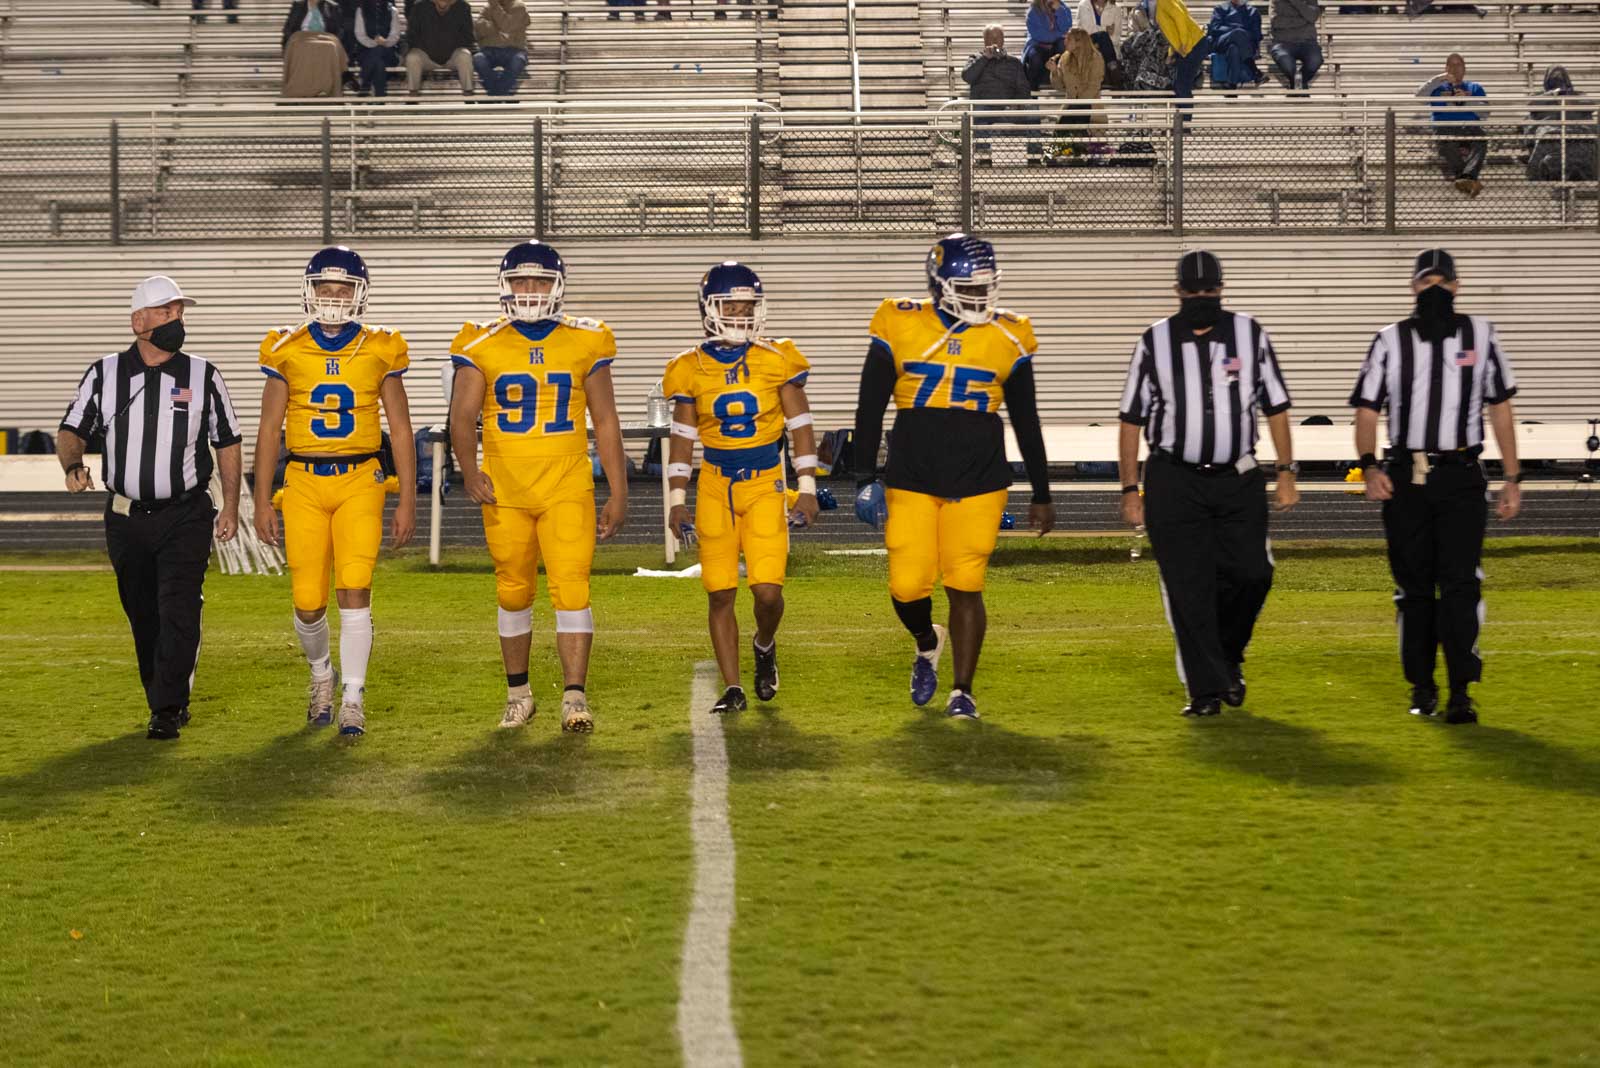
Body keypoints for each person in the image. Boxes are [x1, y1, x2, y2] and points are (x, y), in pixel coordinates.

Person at [852, 234, 1055, 722]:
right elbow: (869, 405)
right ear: (939, 285)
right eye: (969, 287)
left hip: (980, 476)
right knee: (907, 586)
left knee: (966, 583)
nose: (980, 296)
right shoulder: (899, 320)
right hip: (912, 474)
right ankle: (927, 642)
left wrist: (1042, 491)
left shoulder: (1010, 334)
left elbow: (1026, 419)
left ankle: (963, 691)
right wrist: (863, 474)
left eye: (986, 286)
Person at [447, 241, 628, 734]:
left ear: (558, 286)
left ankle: (574, 698)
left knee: (572, 588)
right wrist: (468, 469)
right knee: (513, 591)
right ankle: (519, 695)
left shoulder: (586, 339)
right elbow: (461, 416)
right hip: (505, 485)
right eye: (521, 281)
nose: (530, 290)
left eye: (541, 281)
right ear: (505, 286)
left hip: (567, 481)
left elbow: (605, 421)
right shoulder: (479, 340)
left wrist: (618, 490)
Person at [57, 275, 243, 740]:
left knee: (179, 608)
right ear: (138, 322)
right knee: (144, 615)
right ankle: (162, 696)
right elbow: (71, 429)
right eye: (166, 312)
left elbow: (227, 442)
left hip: (186, 513)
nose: (176, 320)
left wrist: (230, 506)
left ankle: (167, 708)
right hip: (125, 517)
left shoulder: (204, 375)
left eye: (179, 312)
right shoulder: (104, 373)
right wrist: (73, 464)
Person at [1117, 251, 1297, 718]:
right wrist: (1130, 489)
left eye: (1209, 290)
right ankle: (1205, 691)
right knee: (1188, 587)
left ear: (1221, 289)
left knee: (1253, 574)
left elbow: (1276, 406)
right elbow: (1131, 419)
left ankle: (1227, 656)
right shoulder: (1155, 340)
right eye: (1194, 291)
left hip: (1237, 476)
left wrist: (1286, 471)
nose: (1202, 297)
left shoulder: (1249, 334)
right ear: (1178, 291)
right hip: (1174, 478)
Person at [1349, 249, 1521, 725]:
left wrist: (1512, 477)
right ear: (1413, 288)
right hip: (1407, 476)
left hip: (1461, 473)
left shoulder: (1481, 334)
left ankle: (1461, 691)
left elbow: (1500, 408)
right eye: (1427, 283)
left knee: (1461, 584)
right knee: (1415, 588)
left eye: (1443, 282)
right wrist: (1369, 467)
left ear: (1457, 286)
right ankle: (1422, 685)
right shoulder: (1390, 339)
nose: (1435, 291)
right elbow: (1367, 409)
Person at [252, 247, 417, 738]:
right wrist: (260, 499)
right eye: (325, 288)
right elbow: (269, 428)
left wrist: (408, 499)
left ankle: (352, 697)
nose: (333, 297)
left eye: (343, 289)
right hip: (302, 480)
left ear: (359, 294)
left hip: (361, 478)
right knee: (307, 600)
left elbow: (401, 429)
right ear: (309, 292)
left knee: (355, 585)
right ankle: (322, 675)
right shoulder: (285, 346)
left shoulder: (381, 347)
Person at [662, 263, 819, 715]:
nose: (740, 314)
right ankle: (733, 688)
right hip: (715, 485)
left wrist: (807, 488)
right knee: (720, 592)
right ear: (709, 310)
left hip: (765, 484)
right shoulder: (689, 366)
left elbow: (801, 427)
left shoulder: (778, 358)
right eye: (730, 306)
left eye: (747, 306)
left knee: (767, 592)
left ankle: (764, 643)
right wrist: (677, 500)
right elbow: (682, 439)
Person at [1418, 53, 1489, 197]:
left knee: (1481, 139)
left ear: (1464, 69)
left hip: (1469, 127)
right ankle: (1468, 179)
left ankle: (1464, 178)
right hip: (1445, 126)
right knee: (1445, 140)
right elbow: (1419, 97)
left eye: (1459, 65)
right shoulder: (1436, 87)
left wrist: (1468, 100)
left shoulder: (1474, 87)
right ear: (1446, 68)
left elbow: (1485, 113)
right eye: (1451, 65)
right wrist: (1439, 79)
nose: (1455, 68)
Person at [962, 25, 1033, 162]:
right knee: (979, 111)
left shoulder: (1013, 62)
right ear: (984, 41)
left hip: (1008, 108)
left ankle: (1035, 156)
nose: (994, 41)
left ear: (1003, 40)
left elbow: (1024, 88)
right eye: (991, 37)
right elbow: (967, 77)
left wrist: (1017, 103)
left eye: (998, 37)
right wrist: (984, 58)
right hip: (985, 107)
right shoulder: (975, 59)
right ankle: (983, 156)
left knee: (1033, 110)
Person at [1526, 65, 1598, 182]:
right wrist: (1551, 95)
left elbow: (1591, 105)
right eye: (1553, 76)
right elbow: (1531, 106)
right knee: (1542, 134)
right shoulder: (1540, 96)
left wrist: (1570, 97)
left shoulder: (1577, 95)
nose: (1557, 79)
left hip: (1577, 130)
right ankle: (1540, 171)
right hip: (1550, 132)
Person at [406, 0, 475, 96]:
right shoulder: (419, 6)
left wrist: (450, 43)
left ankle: (468, 92)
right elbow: (411, 35)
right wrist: (427, 45)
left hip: (453, 56)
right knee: (412, 57)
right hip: (426, 56)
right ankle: (413, 93)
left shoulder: (463, 7)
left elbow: (468, 36)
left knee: (465, 55)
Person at [474, 0, 528, 97]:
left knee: (518, 60)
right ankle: (500, 93)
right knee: (478, 59)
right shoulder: (487, 7)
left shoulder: (519, 6)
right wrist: (497, 27)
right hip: (490, 50)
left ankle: (495, 94)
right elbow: (478, 30)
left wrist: (494, 9)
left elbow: (507, 26)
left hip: (514, 50)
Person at [1206, 0, 1263, 89]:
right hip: (1223, 42)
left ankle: (1232, 85)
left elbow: (1256, 35)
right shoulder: (1220, 8)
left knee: (1234, 48)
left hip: (1245, 45)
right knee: (1237, 33)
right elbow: (1215, 28)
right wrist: (1235, 30)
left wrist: (1242, 34)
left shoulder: (1253, 11)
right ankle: (1254, 70)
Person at [1267, 0, 1322, 92]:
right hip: (1283, 42)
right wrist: (1303, 19)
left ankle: (1297, 83)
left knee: (1315, 60)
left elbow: (1312, 16)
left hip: (1307, 41)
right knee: (1285, 62)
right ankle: (1299, 84)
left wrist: (1296, 2)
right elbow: (1276, 22)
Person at [353, 0, 405, 96]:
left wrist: (385, 42)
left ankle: (364, 82)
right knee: (379, 62)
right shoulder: (361, 10)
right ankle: (380, 97)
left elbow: (395, 35)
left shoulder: (393, 10)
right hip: (366, 53)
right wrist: (374, 43)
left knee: (378, 52)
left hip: (388, 52)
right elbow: (360, 34)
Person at [1023, 0, 1073, 90]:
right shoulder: (1033, 11)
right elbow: (1040, 35)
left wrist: (1059, 11)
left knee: (1063, 47)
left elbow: (1066, 28)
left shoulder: (1063, 8)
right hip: (1038, 45)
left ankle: (1062, 83)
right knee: (1034, 57)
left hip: (1056, 46)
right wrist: (1059, 34)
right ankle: (1032, 89)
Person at [1076, 0, 1124, 86]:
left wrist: (1102, 44)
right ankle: (1114, 70)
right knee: (1103, 35)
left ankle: (1109, 76)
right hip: (1088, 44)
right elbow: (1086, 30)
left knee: (1103, 38)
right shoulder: (1084, 5)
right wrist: (1105, 29)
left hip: (1109, 47)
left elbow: (1116, 36)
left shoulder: (1116, 9)